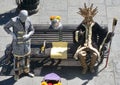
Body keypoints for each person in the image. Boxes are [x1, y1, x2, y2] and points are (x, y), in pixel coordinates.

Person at [73, 3, 113, 74]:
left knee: (95, 55)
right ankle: (85, 67)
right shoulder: (82, 25)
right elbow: (76, 31)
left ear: (92, 17)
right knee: (80, 54)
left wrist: (109, 34)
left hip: (93, 45)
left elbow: (102, 33)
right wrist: (79, 33)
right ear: (84, 17)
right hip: (83, 45)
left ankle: (91, 67)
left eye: (89, 18)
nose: (88, 20)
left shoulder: (95, 25)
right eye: (86, 18)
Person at [4, 10, 34, 80]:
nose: (24, 19)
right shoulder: (13, 20)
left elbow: (32, 30)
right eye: (23, 18)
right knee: (17, 59)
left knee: (27, 58)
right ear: (19, 16)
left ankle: (27, 72)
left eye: (25, 17)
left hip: (26, 44)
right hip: (17, 43)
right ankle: (17, 74)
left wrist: (28, 35)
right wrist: (12, 34)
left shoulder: (28, 20)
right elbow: (5, 27)